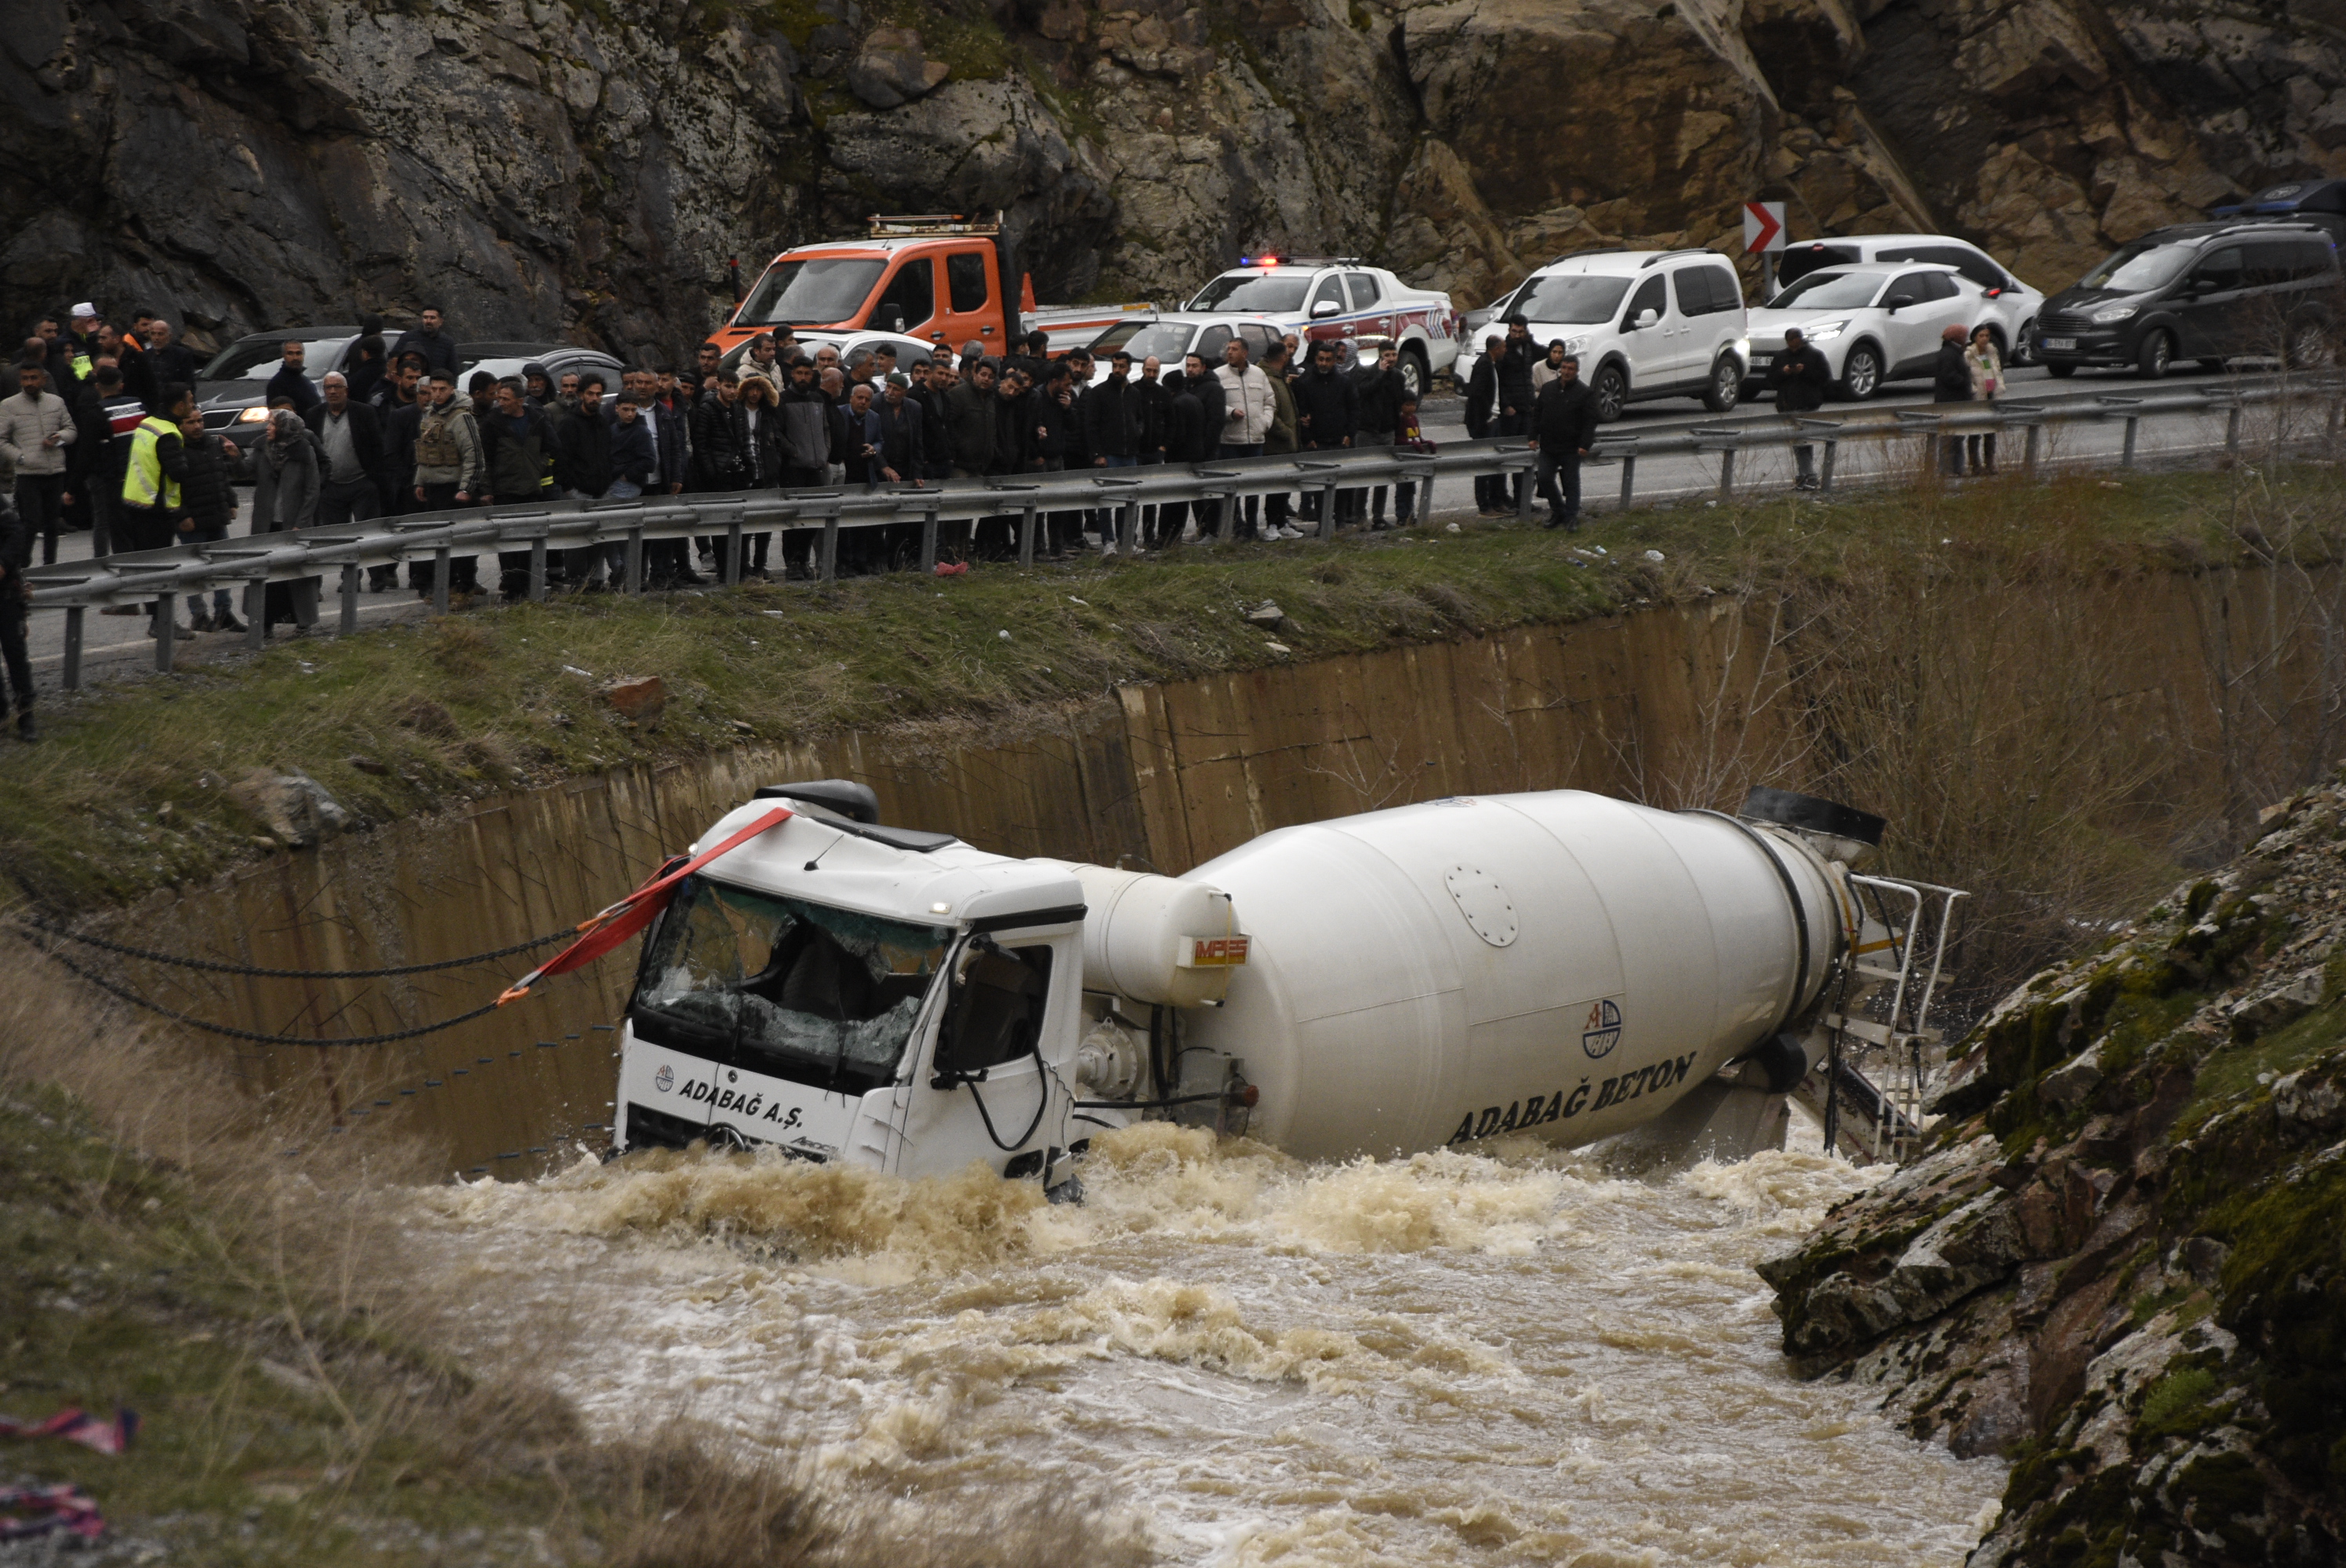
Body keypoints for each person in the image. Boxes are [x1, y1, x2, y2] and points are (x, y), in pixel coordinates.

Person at [118, 383, 194, 636]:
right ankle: (161, 622)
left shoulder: (147, 424)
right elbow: (178, 472)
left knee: (148, 566)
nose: (193, 406)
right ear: (179, 406)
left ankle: (157, 620)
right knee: (159, 568)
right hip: (156, 511)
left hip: (135, 503)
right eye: (190, 401)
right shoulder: (169, 433)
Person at [244, 408, 322, 637]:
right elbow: (244, 471)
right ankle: (264, 623)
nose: (267, 428)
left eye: (272, 424)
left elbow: (312, 490)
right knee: (266, 577)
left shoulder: (304, 451)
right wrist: (233, 456)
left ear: (285, 428)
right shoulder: (262, 448)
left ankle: (303, 622)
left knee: (298, 575)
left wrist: (302, 523)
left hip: (293, 524)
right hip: (266, 524)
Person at [411, 369, 485, 596]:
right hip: (434, 489)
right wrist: (420, 482)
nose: (437, 394)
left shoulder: (461, 417)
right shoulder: (430, 415)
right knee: (438, 542)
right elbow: (425, 451)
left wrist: (466, 489)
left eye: (442, 389)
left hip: (455, 489)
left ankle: (465, 586)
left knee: (461, 543)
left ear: (452, 389)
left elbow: (474, 456)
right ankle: (447, 586)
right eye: (433, 389)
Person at [173, 410, 245, 633]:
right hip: (192, 521)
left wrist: (231, 502)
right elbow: (171, 488)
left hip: (216, 515)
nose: (197, 426)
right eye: (190, 422)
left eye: (200, 421)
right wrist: (182, 516)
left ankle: (224, 613)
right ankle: (199, 615)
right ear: (180, 425)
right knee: (194, 571)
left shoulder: (213, 444)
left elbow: (222, 476)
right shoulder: (176, 449)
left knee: (223, 566)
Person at [0, 361, 76, 564]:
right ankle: (22, 564)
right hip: (28, 473)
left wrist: (59, 438)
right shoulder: (9, 405)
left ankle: (50, 565)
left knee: (52, 523)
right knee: (31, 523)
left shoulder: (56, 402)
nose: (29, 382)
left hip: (55, 470)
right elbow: (1, 439)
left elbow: (71, 430)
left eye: (34, 378)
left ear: (43, 379)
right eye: (25, 378)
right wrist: (21, 457)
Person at [307, 371, 386, 534]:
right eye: (328, 387)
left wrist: (374, 480)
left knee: (369, 532)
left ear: (346, 390)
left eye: (337, 387)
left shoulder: (364, 412)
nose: (333, 391)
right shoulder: (314, 415)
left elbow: (377, 446)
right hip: (330, 486)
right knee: (335, 535)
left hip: (361, 483)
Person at [554, 374, 616, 586]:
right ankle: (577, 583)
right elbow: (560, 459)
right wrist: (568, 488)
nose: (595, 398)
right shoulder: (569, 423)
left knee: (598, 538)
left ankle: (595, 582)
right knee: (577, 541)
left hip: (601, 490)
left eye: (599, 394)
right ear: (581, 395)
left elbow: (608, 454)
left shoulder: (602, 422)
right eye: (590, 394)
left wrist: (607, 481)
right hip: (577, 491)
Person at [1291, 339, 1356, 533]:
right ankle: (1323, 522)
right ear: (1316, 359)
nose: (1324, 363)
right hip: (1317, 442)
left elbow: (1354, 410)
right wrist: (1308, 439)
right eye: (1321, 359)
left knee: (1341, 485)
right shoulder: (1305, 383)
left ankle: (1340, 521)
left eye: (1328, 360)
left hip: (1339, 441)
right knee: (1319, 487)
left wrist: (1349, 434)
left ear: (1334, 361)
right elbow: (1301, 413)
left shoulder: (1344, 383)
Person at [1529, 354, 1598, 530]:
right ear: (1560, 369)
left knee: (1571, 483)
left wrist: (1585, 444)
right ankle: (1558, 511)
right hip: (1549, 445)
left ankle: (1571, 517)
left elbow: (1590, 422)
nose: (1567, 372)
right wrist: (1533, 436)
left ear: (1577, 371)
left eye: (1571, 369)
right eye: (1564, 368)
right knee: (1544, 478)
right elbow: (1537, 414)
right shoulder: (1548, 389)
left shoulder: (1584, 393)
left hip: (1571, 447)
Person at [1215, 337, 1275, 539]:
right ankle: (1236, 527)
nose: (1230, 352)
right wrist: (1230, 413)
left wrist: (1265, 423)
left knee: (1252, 487)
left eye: (1234, 349)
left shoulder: (1259, 374)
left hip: (1255, 441)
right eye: (1228, 349)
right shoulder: (1219, 375)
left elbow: (1270, 402)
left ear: (1245, 353)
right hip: (1230, 441)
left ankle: (1251, 528)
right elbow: (1214, 405)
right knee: (1232, 487)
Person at [1766, 327, 1831, 490]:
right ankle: (1806, 476)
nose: (1793, 344)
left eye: (1795, 340)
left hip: (1808, 404)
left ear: (1800, 339)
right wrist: (1784, 372)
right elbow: (1771, 380)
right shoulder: (1781, 356)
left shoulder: (1815, 355)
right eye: (1790, 341)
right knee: (1799, 441)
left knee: (1802, 440)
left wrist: (1804, 371)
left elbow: (1825, 378)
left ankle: (1807, 476)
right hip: (1788, 404)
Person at [1352, 339, 1405, 528]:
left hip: (1387, 431)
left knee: (1383, 477)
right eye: (1387, 355)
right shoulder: (1367, 372)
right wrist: (1381, 375)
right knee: (1364, 475)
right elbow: (1363, 392)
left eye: (1394, 355)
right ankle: (1359, 515)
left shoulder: (1398, 376)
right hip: (1367, 431)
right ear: (1380, 356)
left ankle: (1378, 516)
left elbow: (1399, 401)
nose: (1391, 359)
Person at [1258, 341, 1298, 540]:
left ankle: (1281, 522)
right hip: (1275, 445)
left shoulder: (1279, 377)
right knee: (1275, 488)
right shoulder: (1269, 379)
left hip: (1286, 445)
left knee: (1283, 488)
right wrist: (1287, 433)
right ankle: (1272, 524)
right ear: (1283, 357)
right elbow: (1270, 413)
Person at [0, 490, 31, 740]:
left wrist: (2, 564)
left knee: (15, 654)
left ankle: (27, 716)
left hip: (6, 594)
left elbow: (17, 535)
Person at [1932, 322, 1972, 476]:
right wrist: (1965, 382)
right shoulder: (1949, 354)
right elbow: (1948, 376)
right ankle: (1947, 468)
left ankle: (1957, 467)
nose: (1966, 339)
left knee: (1958, 437)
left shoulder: (1953, 352)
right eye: (1964, 336)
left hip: (1955, 401)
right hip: (1950, 402)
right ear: (1957, 337)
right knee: (1949, 437)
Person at [1965, 325, 2002, 476]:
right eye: (1981, 336)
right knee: (1975, 431)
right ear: (1975, 338)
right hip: (1977, 397)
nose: (1985, 339)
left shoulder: (1992, 353)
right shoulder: (1969, 355)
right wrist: (1974, 390)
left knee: (1990, 431)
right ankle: (1975, 464)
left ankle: (1990, 462)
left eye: (1987, 336)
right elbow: (1967, 377)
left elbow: (1997, 371)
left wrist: (1999, 387)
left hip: (1990, 394)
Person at [391, 307, 459, 376]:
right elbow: (394, 359)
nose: (428, 321)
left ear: (440, 321)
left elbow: (453, 369)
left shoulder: (447, 342)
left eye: (432, 318)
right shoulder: (408, 337)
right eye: (425, 317)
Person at [143, 317, 199, 394]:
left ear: (169, 336)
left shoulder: (181, 355)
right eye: (153, 334)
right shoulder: (145, 356)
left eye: (160, 334)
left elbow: (189, 383)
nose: (156, 338)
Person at [265, 339, 321, 416]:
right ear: (284, 356)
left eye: (298, 353)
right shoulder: (277, 384)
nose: (295, 358)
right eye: (290, 353)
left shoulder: (305, 381)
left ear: (303, 355)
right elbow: (278, 417)